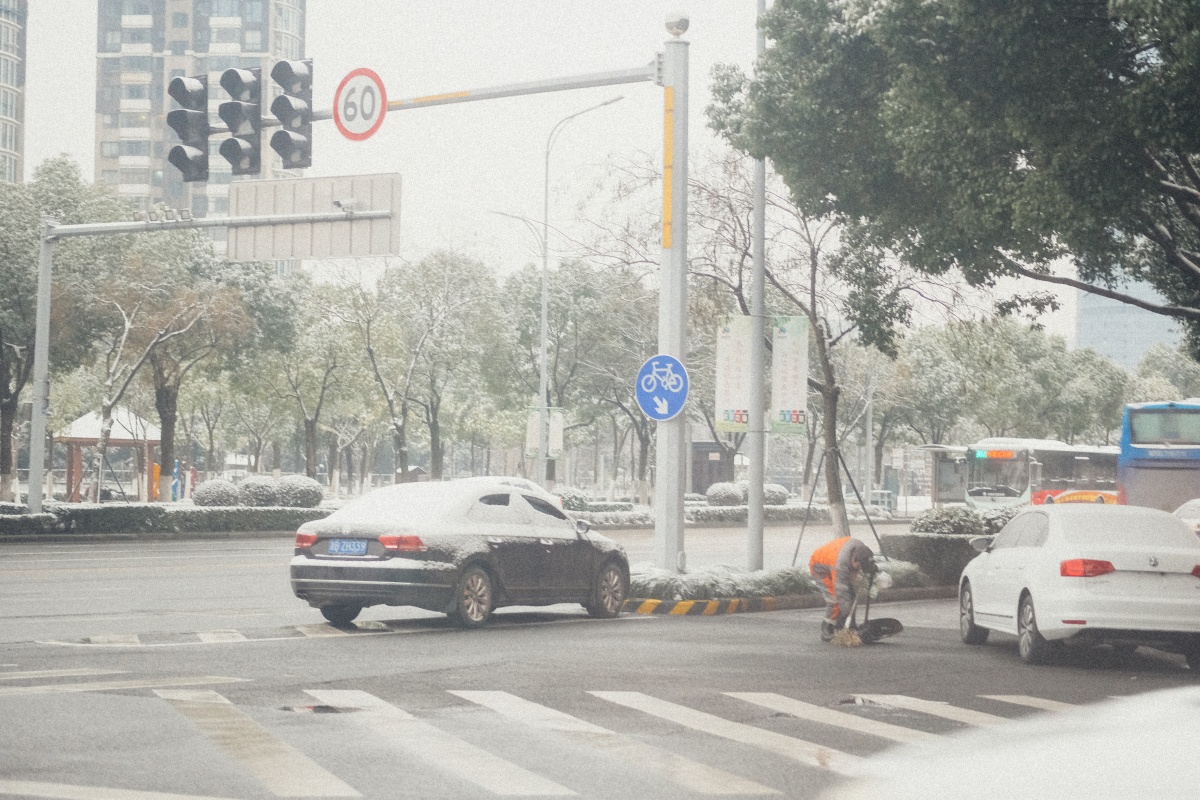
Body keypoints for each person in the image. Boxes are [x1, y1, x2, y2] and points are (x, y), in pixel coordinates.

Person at [808, 536, 878, 642]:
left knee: (851, 595)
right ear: (853, 559)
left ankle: (846, 625)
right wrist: (847, 612)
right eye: (858, 567)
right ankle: (827, 627)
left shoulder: (861, 550)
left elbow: (865, 564)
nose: (859, 570)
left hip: (833, 561)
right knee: (835, 599)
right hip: (819, 568)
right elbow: (841, 591)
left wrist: (871, 569)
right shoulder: (841, 564)